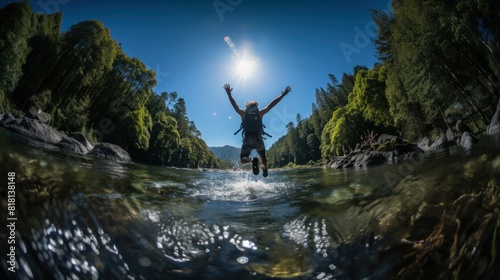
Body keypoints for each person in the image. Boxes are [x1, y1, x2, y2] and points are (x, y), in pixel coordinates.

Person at [224, 83, 292, 177]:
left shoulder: (243, 113)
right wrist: (283, 95)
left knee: (243, 160)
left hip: (247, 139)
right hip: (258, 139)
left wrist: (229, 94)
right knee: (263, 157)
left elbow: (234, 105)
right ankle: (265, 169)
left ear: (247, 106)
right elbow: (271, 105)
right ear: (256, 106)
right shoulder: (260, 113)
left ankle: (252, 160)